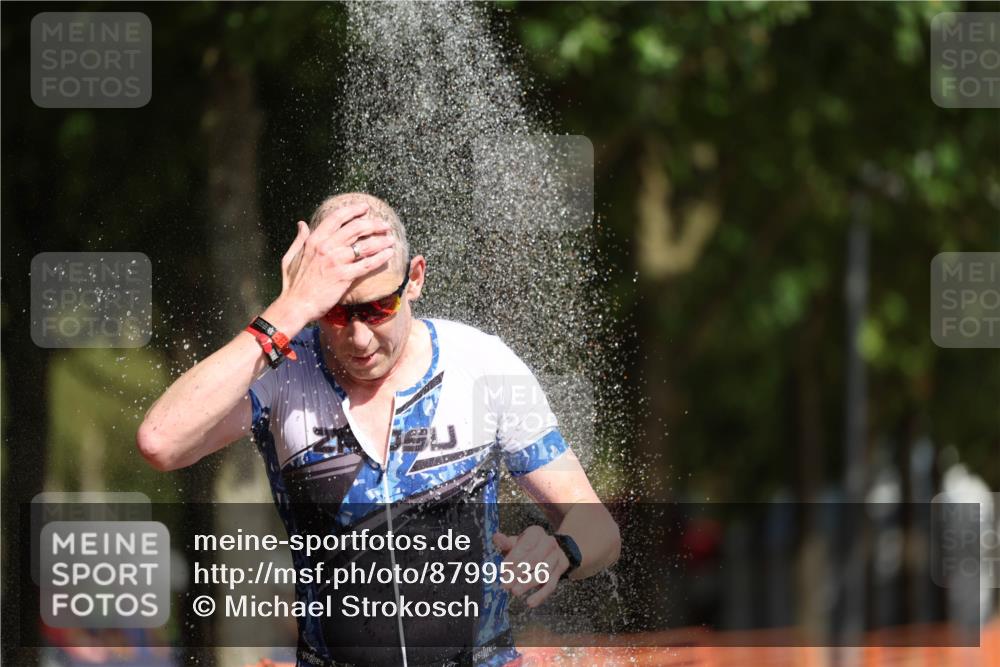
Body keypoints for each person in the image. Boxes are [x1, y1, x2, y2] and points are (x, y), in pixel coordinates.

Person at [137, 193, 621, 667]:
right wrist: (287, 312)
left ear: (414, 279)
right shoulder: (284, 370)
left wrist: (562, 551)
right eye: (336, 313)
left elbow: (598, 528)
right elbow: (161, 441)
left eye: (377, 309)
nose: (361, 338)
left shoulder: (480, 362)